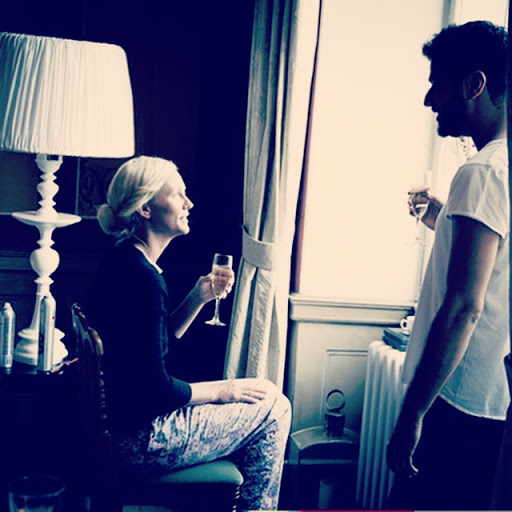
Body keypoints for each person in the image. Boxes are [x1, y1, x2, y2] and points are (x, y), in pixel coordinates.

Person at [85, 155, 291, 511]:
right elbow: (155, 388)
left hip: (121, 431)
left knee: (265, 398)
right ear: (146, 208)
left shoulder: (124, 260)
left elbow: (147, 350)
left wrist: (198, 297)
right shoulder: (143, 279)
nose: (189, 203)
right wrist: (223, 391)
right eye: (178, 194)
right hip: (140, 441)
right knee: (275, 407)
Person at [386, 21, 509, 510]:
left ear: (474, 85)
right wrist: (442, 216)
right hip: (493, 402)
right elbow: (494, 267)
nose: (428, 99)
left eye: (437, 83)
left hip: (457, 401)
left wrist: (411, 415)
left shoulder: (482, 172)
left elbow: (464, 307)